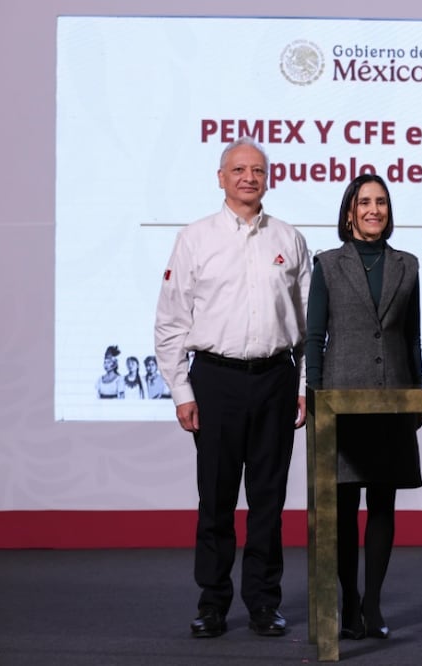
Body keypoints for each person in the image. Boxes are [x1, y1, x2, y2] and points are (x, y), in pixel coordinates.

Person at [154, 136, 311, 639]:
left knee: (268, 501)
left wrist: (304, 386)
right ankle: (213, 603)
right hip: (215, 381)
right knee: (216, 500)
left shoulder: (289, 239)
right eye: (238, 169)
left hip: (276, 379)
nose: (249, 177)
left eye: (258, 170)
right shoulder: (194, 238)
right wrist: (182, 391)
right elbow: (171, 322)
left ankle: (264, 603)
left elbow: (311, 327)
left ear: (269, 179)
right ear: (220, 178)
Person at [305, 174, 422, 641]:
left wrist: (415, 396)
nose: (374, 210)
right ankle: (348, 601)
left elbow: (411, 338)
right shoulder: (328, 264)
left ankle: (372, 603)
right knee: (344, 505)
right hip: (342, 400)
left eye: (382, 202)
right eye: (365, 202)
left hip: (393, 397)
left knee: (383, 503)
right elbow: (315, 337)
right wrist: (316, 399)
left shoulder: (408, 265)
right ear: (349, 211)